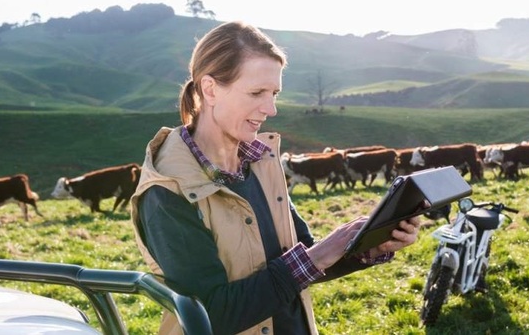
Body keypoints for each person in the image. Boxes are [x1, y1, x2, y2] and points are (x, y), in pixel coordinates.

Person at [130, 21, 421, 335]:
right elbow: (209, 315)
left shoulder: (260, 163)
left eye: (274, 94)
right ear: (210, 89)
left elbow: (302, 260)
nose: (270, 109)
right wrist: (319, 254)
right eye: (256, 93)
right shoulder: (168, 190)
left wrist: (369, 248)